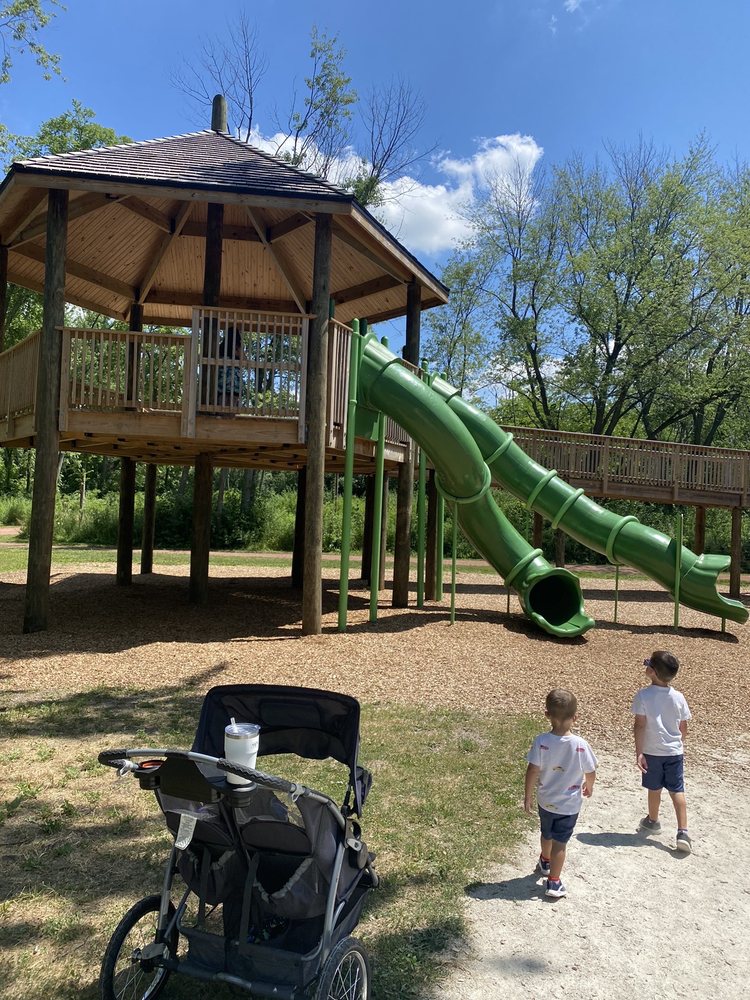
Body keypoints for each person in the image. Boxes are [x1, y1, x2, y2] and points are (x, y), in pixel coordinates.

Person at [524, 688, 597, 898]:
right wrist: (589, 785)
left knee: (546, 832)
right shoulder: (581, 746)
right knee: (561, 843)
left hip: (546, 800)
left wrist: (528, 795)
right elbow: (590, 770)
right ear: (576, 717)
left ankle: (545, 860)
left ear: (547, 715)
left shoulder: (541, 742)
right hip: (569, 804)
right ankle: (553, 882)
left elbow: (532, 770)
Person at [631, 650, 692, 853]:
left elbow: (639, 726)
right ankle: (683, 832)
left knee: (654, 789)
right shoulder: (679, 697)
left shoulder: (643, 696)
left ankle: (653, 820)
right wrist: (678, 743)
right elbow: (683, 727)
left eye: (649, 663)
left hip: (652, 752)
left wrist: (639, 752)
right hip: (674, 752)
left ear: (652, 672)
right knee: (677, 790)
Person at [216, 326, 246, 410]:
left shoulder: (221, 347)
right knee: (232, 403)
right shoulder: (238, 347)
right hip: (234, 379)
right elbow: (244, 360)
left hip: (222, 379)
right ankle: (229, 417)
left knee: (222, 403)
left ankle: (221, 417)